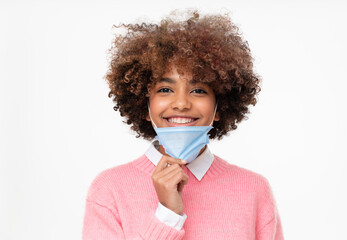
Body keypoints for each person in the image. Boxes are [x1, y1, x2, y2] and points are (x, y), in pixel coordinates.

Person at [82, 9, 284, 240]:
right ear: (144, 105)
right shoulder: (109, 190)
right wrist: (168, 214)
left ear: (220, 107)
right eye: (165, 89)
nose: (181, 103)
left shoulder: (254, 189)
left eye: (198, 90)